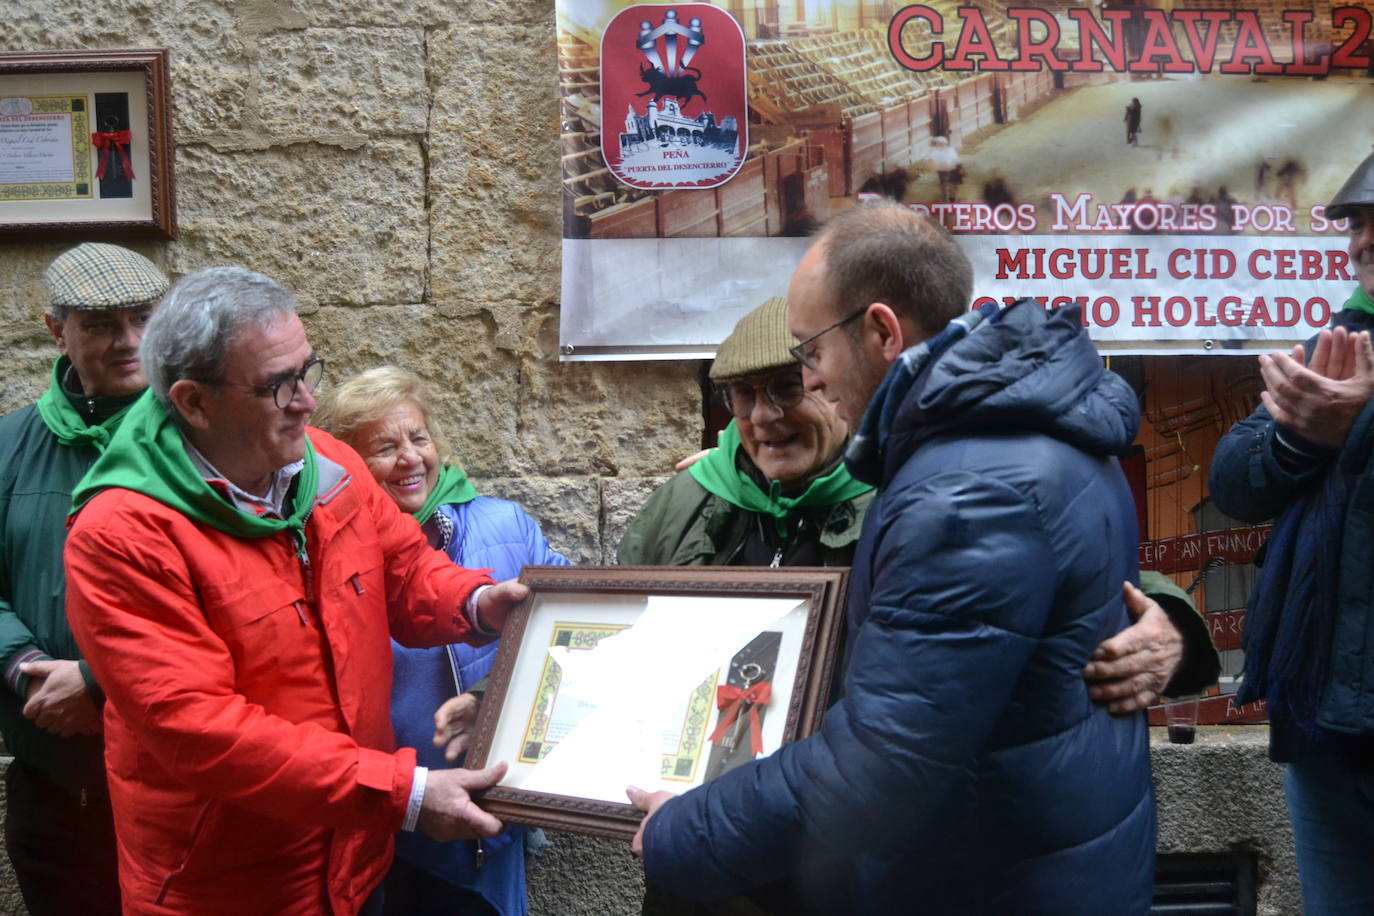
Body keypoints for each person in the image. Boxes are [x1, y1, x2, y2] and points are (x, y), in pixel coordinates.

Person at [629, 201, 1157, 913]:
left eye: (808, 358)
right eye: (742, 397)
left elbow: (881, 768)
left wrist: (682, 833)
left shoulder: (960, 489)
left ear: (880, 330)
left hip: (969, 877)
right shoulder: (1007, 440)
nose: (798, 390)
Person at [62, 267, 528, 916]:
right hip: (227, 886)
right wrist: (404, 794)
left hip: (356, 862)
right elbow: (202, 731)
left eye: (307, 371)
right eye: (279, 386)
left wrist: (477, 603)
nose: (308, 401)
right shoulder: (122, 535)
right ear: (194, 402)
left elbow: (407, 570)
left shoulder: (327, 466)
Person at [316, 366, 570, 916]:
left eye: (418, 438)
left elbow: (570, 629)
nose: (409, 458)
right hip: (392, 822)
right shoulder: (334, 555)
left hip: (494, 814)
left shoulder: (506, 524)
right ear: (347, 467)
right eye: (384, 447)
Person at [1209, 151, 1374, 915]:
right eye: (1358, 227)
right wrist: (1300, 441)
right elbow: (1232, 481)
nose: (1361, 243)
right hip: (1326, 731)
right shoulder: (1341, 342)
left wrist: (1360, 426)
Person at [0, 243, 168, 916]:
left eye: (144, 319)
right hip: (55, 784)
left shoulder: (206, 438)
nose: (129, 342)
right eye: (102, 325)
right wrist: (27, 666)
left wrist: (99, 683)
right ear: (56, 331)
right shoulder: (8, 449)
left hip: (181, 782)